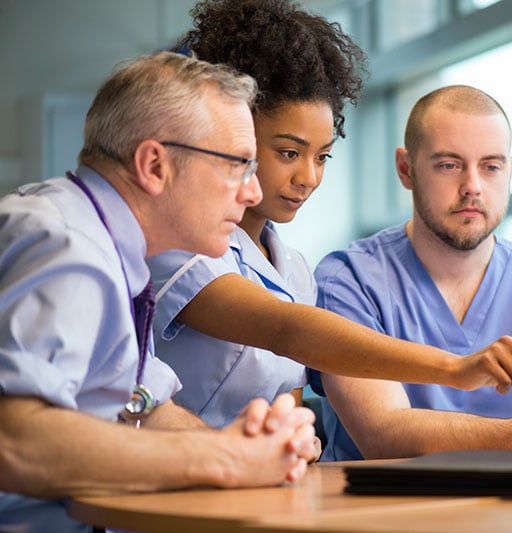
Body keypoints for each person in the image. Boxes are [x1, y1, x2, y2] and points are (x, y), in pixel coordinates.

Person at [147, 0, 512, 453]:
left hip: (258, 494)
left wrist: (294, 443)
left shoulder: (294, 271)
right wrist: (454, 368)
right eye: (288, 153)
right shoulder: (175, 244)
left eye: (321, 156)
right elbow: (288, 330)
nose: (309, 177)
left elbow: (289, 412)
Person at [0, 51, 318, 532]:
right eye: (236, 166)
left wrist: (249, 449)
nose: (252, 193)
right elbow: (15, 441)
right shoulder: (69, 247)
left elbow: (140, 405)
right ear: (154, 165)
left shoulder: (108, 245)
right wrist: (228, 460)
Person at [309, 85, 512, 461]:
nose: (472, 187)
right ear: (406, 169)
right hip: (386, 516)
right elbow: (382, 433)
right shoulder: (350, 280)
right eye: (449, 165)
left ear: (510, 171)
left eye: (491, 166)